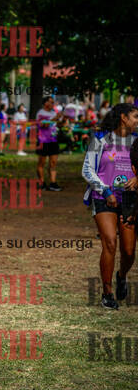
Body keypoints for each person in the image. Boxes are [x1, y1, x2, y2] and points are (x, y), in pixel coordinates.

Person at [82, 103, 138, 310]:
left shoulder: (136, 141)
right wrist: (105, 191)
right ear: (123, 118)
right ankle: (107, 293)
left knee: (129, 251)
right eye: (135, 116)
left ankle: (121, 276)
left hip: (129, 200)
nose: (137, 121)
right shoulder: (100, 139)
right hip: (103, 197)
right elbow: (87, 170)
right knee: (110, 243)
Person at [36, 97, 63, 191]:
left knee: (53, 163)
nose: (53, 104)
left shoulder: (53, 113)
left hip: (53, 140)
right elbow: (44, 125)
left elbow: (58, 125)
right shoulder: (40, 113)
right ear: (45, 103)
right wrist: (55, 118)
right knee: (41, 163)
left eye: (53, 102)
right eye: (51, 102)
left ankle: (53, 183)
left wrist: (62, 121)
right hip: (43, 141)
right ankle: (42, 183)